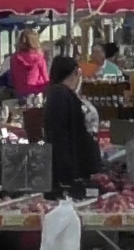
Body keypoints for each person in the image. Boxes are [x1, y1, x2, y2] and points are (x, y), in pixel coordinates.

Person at [43, 55, 101, 192]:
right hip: (68, 170)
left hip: (66, 167)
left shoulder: (57, 94)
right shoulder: (61, 96)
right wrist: (69, 171)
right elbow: (60, 135)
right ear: (76, 72)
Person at [8, 31, 49, 100]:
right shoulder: (39, 58)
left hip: (20, 93)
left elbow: (13, 76)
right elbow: (45, 78)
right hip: (38, 93)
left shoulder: (14, 58)